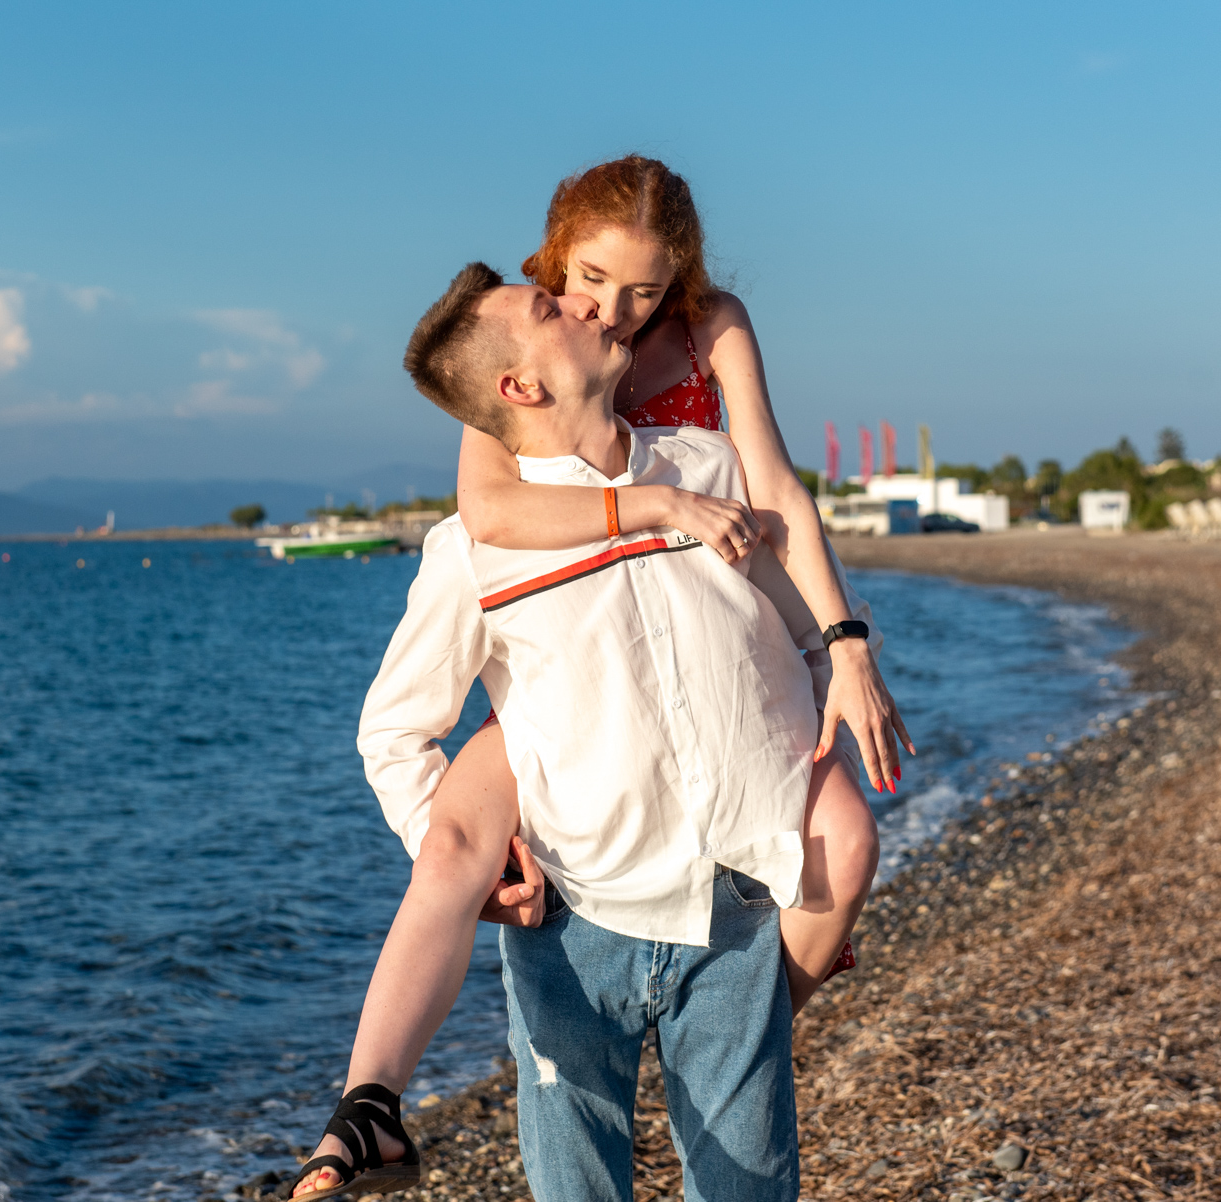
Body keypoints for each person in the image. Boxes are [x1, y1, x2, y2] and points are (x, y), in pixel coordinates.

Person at [286, 263, 819, 1201]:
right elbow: (394, 731)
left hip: (733, 913)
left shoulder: (707, 467)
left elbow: (802, 636)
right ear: (520, 388)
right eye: (551, 309)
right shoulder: (476, 551)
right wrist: (467, 861)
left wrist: (828, 747)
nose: (584, 303)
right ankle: (367, 1115)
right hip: (572, 928)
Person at [451, 156, 907, 1008]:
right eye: (590, 277)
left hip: (724, 629)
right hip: (582, 647)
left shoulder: (712, 326)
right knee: (472, 851)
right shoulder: (515, 336)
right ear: (558, 250)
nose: (611, 312)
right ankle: (379, 1097)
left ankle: (738, 1043)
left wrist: (848, 650)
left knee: (844, 846)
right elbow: (487, 508)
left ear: (679, 281)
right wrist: (658, 507)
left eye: (644, 291)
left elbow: (775, 489)